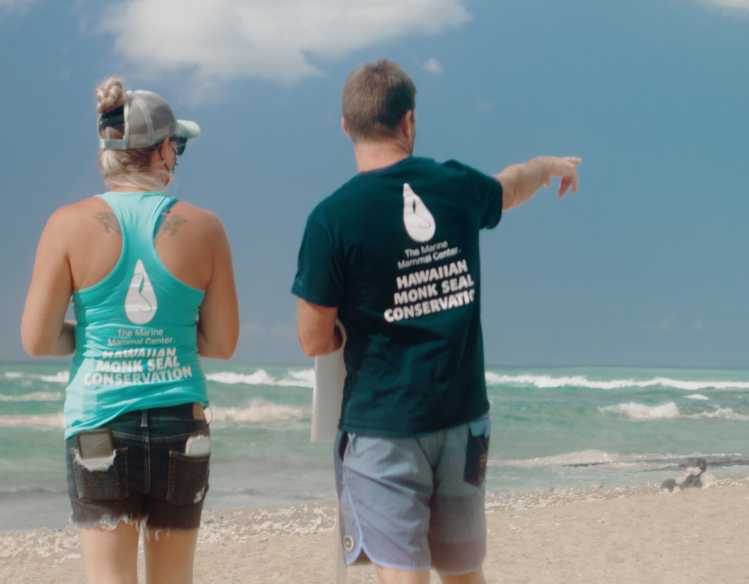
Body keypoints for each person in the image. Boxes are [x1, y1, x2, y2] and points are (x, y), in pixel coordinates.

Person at [292, 59, 581, 584]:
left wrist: (344, 330)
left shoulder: (331, 218)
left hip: (383, 425)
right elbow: (512, 185)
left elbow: (313, 337)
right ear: (409, 122)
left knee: (402, 575)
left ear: (345, 126)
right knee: (464, 573)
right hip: (464, 418)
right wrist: (552, 165)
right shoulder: (454, 185)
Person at [20, 77, 239, 584]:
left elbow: (36, 339)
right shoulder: (205, 228)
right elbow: (222, 344)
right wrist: (167, 333)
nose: (177, 156)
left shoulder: (67, 225)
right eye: (177, 146)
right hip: (181, 427)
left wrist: (104, 333)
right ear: (162, 151)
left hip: (99, 425)